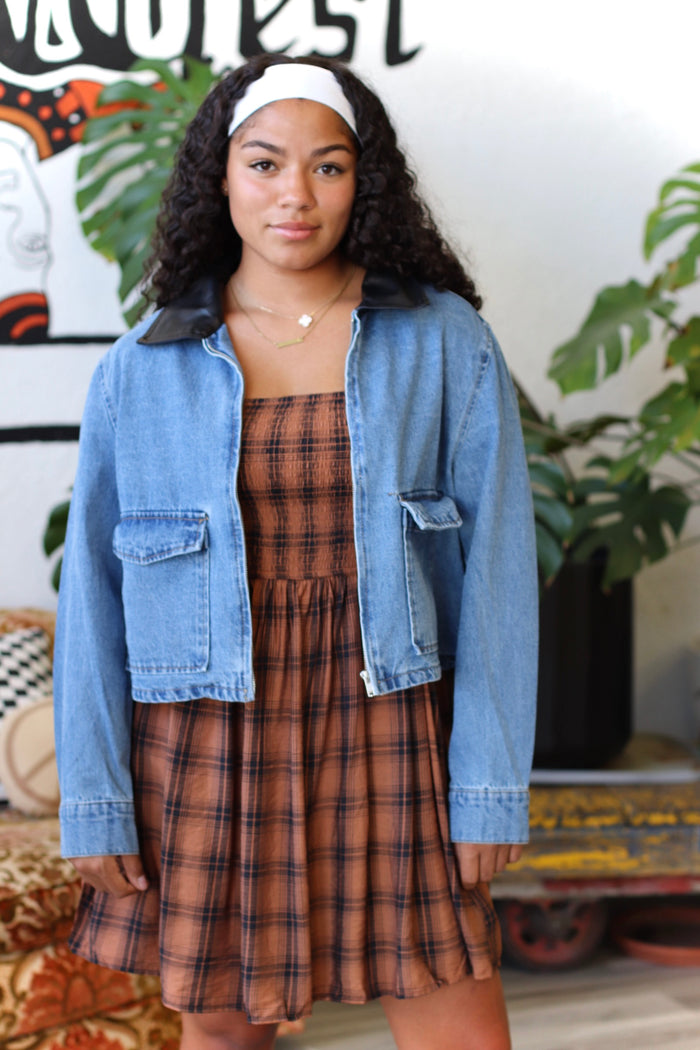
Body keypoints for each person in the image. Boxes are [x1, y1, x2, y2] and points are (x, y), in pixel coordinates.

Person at [54, 53, 538, 1050]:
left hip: (391, 723)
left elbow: (496, 574)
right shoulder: (141, 367)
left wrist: (488, 784)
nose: (294, 195)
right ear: (219, 178)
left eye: (328, 167)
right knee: (226, 1035)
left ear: (364, 183)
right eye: (265, 163)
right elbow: (93, 604)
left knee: (458, 1026)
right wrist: (97, 804)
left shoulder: (442, 342)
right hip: (205, 737)